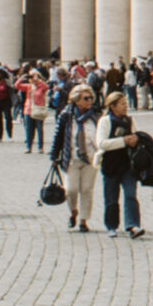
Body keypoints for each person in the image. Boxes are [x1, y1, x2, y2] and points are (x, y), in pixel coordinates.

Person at [50, 84, 101, 231]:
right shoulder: (66, 115)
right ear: (76, 100)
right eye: (86, 98)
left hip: (91, 159)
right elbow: (58, 136)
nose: (89, 101)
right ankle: (73, 212)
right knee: (71, 189)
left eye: (91, 97)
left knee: (87, 189)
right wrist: (54, 156)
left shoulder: (96, 115)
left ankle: (83, 220)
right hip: (71, 158)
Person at [95, 90, 145, 238]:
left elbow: (136, 135)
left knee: (131, 195)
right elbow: (101, 143)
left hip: (128, 164)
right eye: (122, 104)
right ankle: (111, 226)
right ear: (113, 106)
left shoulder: (129, 120)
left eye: (125, 104)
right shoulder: (105, 121)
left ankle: (133, 225)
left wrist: (136, 140)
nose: (125, 107)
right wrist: (123, 141)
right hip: (110, 164)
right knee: (111, 197)